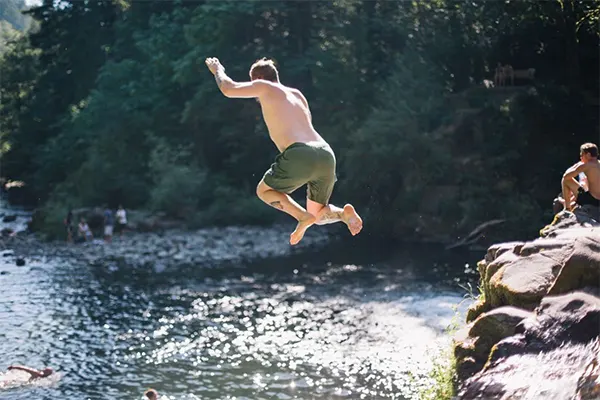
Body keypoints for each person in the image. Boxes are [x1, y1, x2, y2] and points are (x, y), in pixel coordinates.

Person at [204, 57, 362, 245]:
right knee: (318, 216)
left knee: (264, 191)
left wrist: (217, 70)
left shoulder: (265, 87)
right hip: (326, 153)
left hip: (300, 153)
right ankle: (343, 215)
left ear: (259, 78)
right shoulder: (297, 95)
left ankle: (301, 217)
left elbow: (228, 89)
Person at [561, 142, 600, 211]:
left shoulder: (586, 165)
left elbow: (566, 176)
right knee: (584, 181)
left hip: (592, 201)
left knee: (565, 180)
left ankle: (567, 208)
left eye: (582, 154)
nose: (580, 156)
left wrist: (578, 164)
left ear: (588, 154)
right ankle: (572, 203)